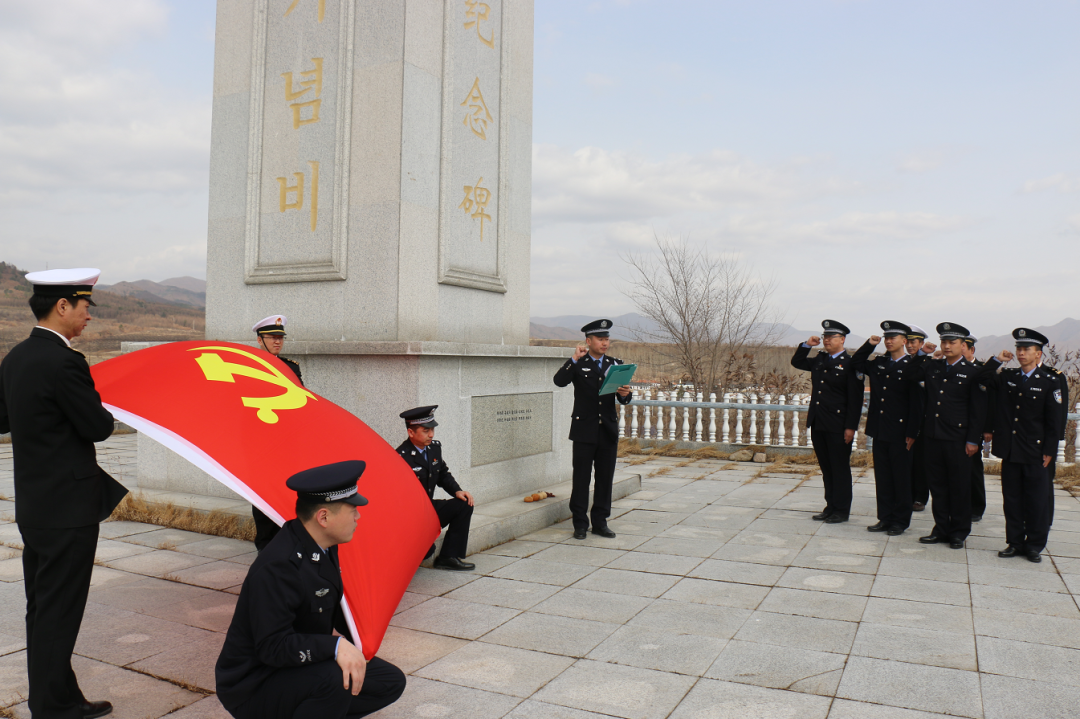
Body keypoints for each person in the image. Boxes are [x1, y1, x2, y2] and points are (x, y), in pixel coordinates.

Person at [0, 268, 128, 719]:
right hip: (67, 511)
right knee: (60, 612)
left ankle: (61, 696)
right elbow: (98, 427)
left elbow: (4, 420)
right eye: (85, 305)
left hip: (35, 506)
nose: (88, 315)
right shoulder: (65, 362)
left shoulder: (15, 358)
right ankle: (52, 708)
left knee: (45, 608)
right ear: (62, 306)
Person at [215, 461, 406, 719]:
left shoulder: (323, 543)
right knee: (336, 681)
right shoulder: (279, 567)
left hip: (293, 664)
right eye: (353, 510)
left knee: (389, 681)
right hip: (254, 682)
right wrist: (336, 646)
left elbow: (331, 602)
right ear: (324, 517)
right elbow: (272, 647)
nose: (358, 516)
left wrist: (356, 645)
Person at [980, 330, 1062, 562]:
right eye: (1019, 349)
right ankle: (1015, 542)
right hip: (1011, 449)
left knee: (1036, 501)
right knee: (1013, 499)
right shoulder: (1008, 376)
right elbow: (982, 379)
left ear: (1038, 354)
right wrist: (997, 360)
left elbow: (1054, 421)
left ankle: (1034, 545)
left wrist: (1049, 451)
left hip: (1036, 452)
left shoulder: (1050, 381)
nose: (1021, 353)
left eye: (1027, 350)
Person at [909, 322, 990, 549]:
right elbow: (909, 375)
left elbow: (978, 410)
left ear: (963, 345)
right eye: (944, 342)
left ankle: (959, 532)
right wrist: (922, 355)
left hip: (959, 439)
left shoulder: (973, 372)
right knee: (938, 487)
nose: (946, 346)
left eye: (952, 342)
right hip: (933, 437)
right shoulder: (933, 367)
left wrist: (974, 439)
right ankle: (941, 529)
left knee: (959, 487)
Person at [552, 319, 633, 540]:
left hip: (607, 430)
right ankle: (580, 524)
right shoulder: (578, 363)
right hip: (584, 430)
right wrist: (573, 359)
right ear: (588, 341)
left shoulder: (616, 364)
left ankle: (600, 522)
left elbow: (623, 397)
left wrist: (625, 395)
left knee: (605, 479)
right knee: (581, 479)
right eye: (600, 339)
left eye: (607, 339)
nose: (605, 343)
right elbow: (559, 381)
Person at [851, 321, 923, 535]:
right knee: (883, 477)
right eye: (886, 337)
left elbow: (917, 403)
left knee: (901, 478)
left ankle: (900, 521)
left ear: (904, 341)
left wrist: (912, 432)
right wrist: (869, 345)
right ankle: (884, 518)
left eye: (894, 338)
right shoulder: (879, 363)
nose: (889, 341)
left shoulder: (913, 365)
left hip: (901, 432)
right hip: (880, 429)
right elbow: (856, 362)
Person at [790, 320, 864, 524]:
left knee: (839, 468)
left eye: (831, 337)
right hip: (819, 421)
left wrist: (850, 427)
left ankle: (841, 510)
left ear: (842, 340)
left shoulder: (851, 365)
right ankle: (830, 506)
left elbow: (855, 399)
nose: (827, 340)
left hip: (839, 425)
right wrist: (807, 345)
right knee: (827, 468)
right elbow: (797, 362)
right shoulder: (820, 360)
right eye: (825, 337)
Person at [396, 406, 475, 570]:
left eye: (432, 430)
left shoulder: (434, 448)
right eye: (426, 431)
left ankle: (448, 557)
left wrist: (457, 491)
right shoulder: (401, 457)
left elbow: (443, 474)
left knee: (464, 504)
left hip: (428, 508)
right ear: (411, 433)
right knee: (425, 552)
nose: (431, 435)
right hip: (411, 515)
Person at [251, 315, 304, 551]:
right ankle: (264, 545)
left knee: (286, 491)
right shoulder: (249, 367)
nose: (278, 342)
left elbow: (302, 402)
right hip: (260, 440)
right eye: (272, 337)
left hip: (285, 440)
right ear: (260, 340)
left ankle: (284, 541)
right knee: (263, 491)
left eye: (280, 337)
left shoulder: (290, 367)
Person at [961, 335, 991, 522]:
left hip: (975, 428)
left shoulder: (983, 371)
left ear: (972, 350)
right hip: (954, 427)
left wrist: (988, 428)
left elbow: (989, 403)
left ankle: (977, 507)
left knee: (973, 468)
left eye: (964, 347)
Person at [905, 324, 931, 512]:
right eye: (908, 342)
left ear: (921, 343)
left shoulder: (929, 363)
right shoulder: (906, 362)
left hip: (923, 419)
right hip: (905, 418)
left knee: (921, 461)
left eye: (914, 342)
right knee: (906, 459)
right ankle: (907, 493)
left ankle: (920, 497)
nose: (910, 345)